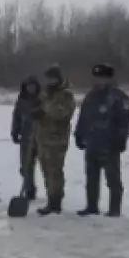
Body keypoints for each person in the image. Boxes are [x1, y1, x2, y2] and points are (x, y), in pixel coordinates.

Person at [74, 63, 129, 217]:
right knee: (91, 177)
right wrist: (79, 135)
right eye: (97, 77)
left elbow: (126, 121)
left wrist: (121, 139)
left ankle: (114, 209)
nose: (99, 81)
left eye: (102, 78)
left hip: (109, 143)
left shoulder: (118, 97)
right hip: (92, 143)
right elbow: (83, 118)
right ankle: (91, 206)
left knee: (112, 178)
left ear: (109, 79)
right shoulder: (90, 96)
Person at [34, 64, 77, 216]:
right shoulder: (46, 93)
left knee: (55, 172)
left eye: (52, 78)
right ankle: (49, 200)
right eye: (48, 78)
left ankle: (55, 203)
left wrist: (45, 106)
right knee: (46, 171)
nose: (50, 81)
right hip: (42, 138)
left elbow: (62, 114)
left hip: (57, 140)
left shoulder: (66, 94)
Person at [10, 76, 41, 200]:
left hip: (41, 137)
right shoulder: (22, 100)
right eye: (29, 86)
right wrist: (15, 131)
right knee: (26, 165)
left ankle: (53, 194)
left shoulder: (42, 99)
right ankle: (29, 189)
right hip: (26, 136)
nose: (31, 89)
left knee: (47, 167)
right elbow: (16, 116)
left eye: (33, 86)